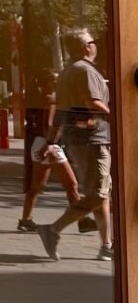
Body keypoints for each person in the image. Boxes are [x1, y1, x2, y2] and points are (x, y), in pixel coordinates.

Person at [36, 29, 112, 261]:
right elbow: (94, 103)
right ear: (85, 47)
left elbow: (60, 112)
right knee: (99, 193)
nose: (95, 44)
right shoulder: (85, 71)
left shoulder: (67, 71)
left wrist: (51, 140)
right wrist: (118, 115)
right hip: (94, 140)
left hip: (78, 141)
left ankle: (106, 245)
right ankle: (53, 229)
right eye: (92, 41)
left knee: (100, 193)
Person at [17, 69, 87, 232]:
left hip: (41, 142)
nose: (57, 83)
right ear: (47, 84)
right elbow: (50, 124)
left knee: (37, 186)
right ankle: (82, 220)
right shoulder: (53, 99)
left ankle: (25, 219)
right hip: (50, 145)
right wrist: (51, 143)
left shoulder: (46, 98)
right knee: (72, 185)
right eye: (54, 81)